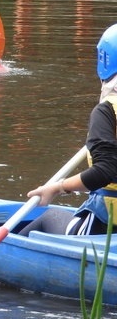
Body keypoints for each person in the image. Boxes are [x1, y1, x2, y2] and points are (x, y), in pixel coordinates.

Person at [19, 24, 117, 236]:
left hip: (107, 226)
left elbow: (105, 171)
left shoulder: (106, 111)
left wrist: (57, 188)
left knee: (46, 218)